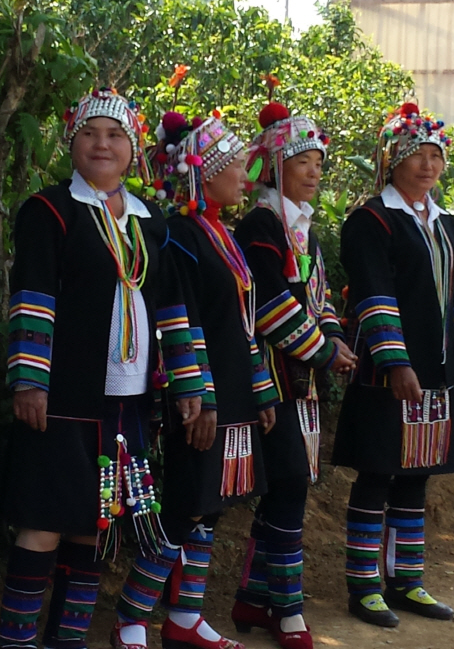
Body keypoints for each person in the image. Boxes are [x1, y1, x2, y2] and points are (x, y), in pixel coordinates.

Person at [0, 89, 205, 649]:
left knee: (96, 528)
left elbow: (171, 305)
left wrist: (188, 382)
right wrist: (30, 379)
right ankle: (17, 641)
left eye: (115, 136)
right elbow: (33, 296)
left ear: (133, 150)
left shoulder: (149, 221)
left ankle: (67, 640)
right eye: (90, 133)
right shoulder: (49, 210)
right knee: (43, 521)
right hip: (63, 392)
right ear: (73, 143)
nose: (102, 145)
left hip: (127, 402)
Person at [113, 110, 279, 649]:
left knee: (210, 507)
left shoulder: (220, 233)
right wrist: (197, 395)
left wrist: (261, 390)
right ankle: (131, 615)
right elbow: (177, 317)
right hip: (202, 397)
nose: (244, 176)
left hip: (233, 393)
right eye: (234, 165)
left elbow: (243, 323)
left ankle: (185, 617)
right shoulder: (181, 235)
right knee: (186, 503)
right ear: (204, 174)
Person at [229, 82, 355, 649]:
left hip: (299, 382)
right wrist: (325, 350)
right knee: (288, 490)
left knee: (288, 486)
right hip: (272, 379)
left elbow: (319, 295)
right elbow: (270, 306)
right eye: (300, 162)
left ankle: (253, 601)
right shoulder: (260, 224)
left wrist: (332, 331)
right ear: (274, 166)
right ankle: (288, 610)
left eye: (316, 163)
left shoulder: (301, 227)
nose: (311, 172)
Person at [332, 101, 454, 627]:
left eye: (436, 156)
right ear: (391, 160)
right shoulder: (370, 219)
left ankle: (407, 581)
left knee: (417, 475)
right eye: (416, 155)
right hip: (390, 371)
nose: (428, 165)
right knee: (378, 472)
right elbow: (374, 294)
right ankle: (364, 586)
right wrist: (396, 361)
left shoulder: (447, 223)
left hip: (440, 372)